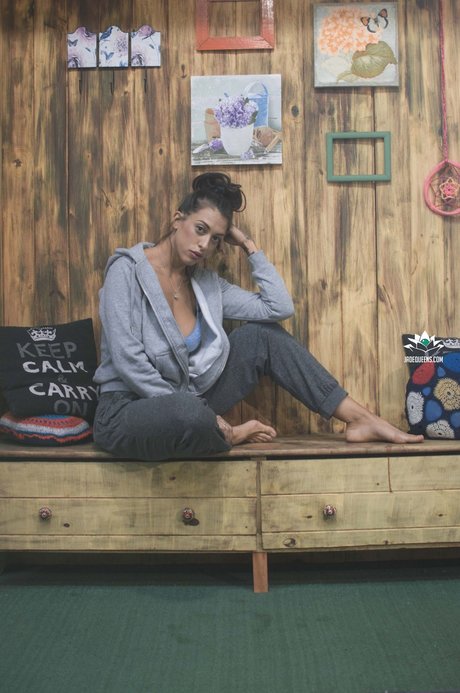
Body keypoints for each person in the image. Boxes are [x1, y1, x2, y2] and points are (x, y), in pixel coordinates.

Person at [93, 172, 423, 461]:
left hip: (193, 403)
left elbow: (277, 307)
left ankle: (360, 418)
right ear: (178, 218)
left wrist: (248, 245)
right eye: (200, 229)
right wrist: (202, 413)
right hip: (128, 409)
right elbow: (127, 359)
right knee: (187, 411)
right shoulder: (127, 271)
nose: (204, 245)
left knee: (262, 336)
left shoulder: (206, 285)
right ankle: (229, 434)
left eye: (215, 239)